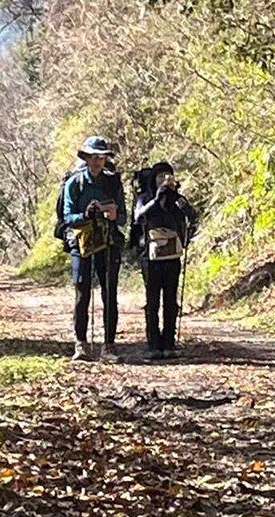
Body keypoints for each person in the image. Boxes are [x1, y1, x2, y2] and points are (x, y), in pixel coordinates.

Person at [62, 136, 127, 363]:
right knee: (82, 291)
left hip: (108, 242)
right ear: (87, 158)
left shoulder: (113, 183)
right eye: (94, 157)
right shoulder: (74, 183)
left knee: (109, 293)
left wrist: (112, 214)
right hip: (82, 243)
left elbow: (123, 218)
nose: (98, 161)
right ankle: (80, 344)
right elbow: (67, 218)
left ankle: (108, 346)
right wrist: (86, 215)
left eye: (102, 157)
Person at [130, 161, 198, 360]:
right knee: (152, 300)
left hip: (172, 254)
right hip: (149, 256)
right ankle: (153, 344)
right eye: (160, 177)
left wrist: (177, 199)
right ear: (154, 179)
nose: (164, 180)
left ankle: (169, 341)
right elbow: (138, 217)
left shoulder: (177, 200)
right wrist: (156, 200)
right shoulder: (145, 198)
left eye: (167, 176)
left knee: (170, 299)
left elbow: (192, 217)